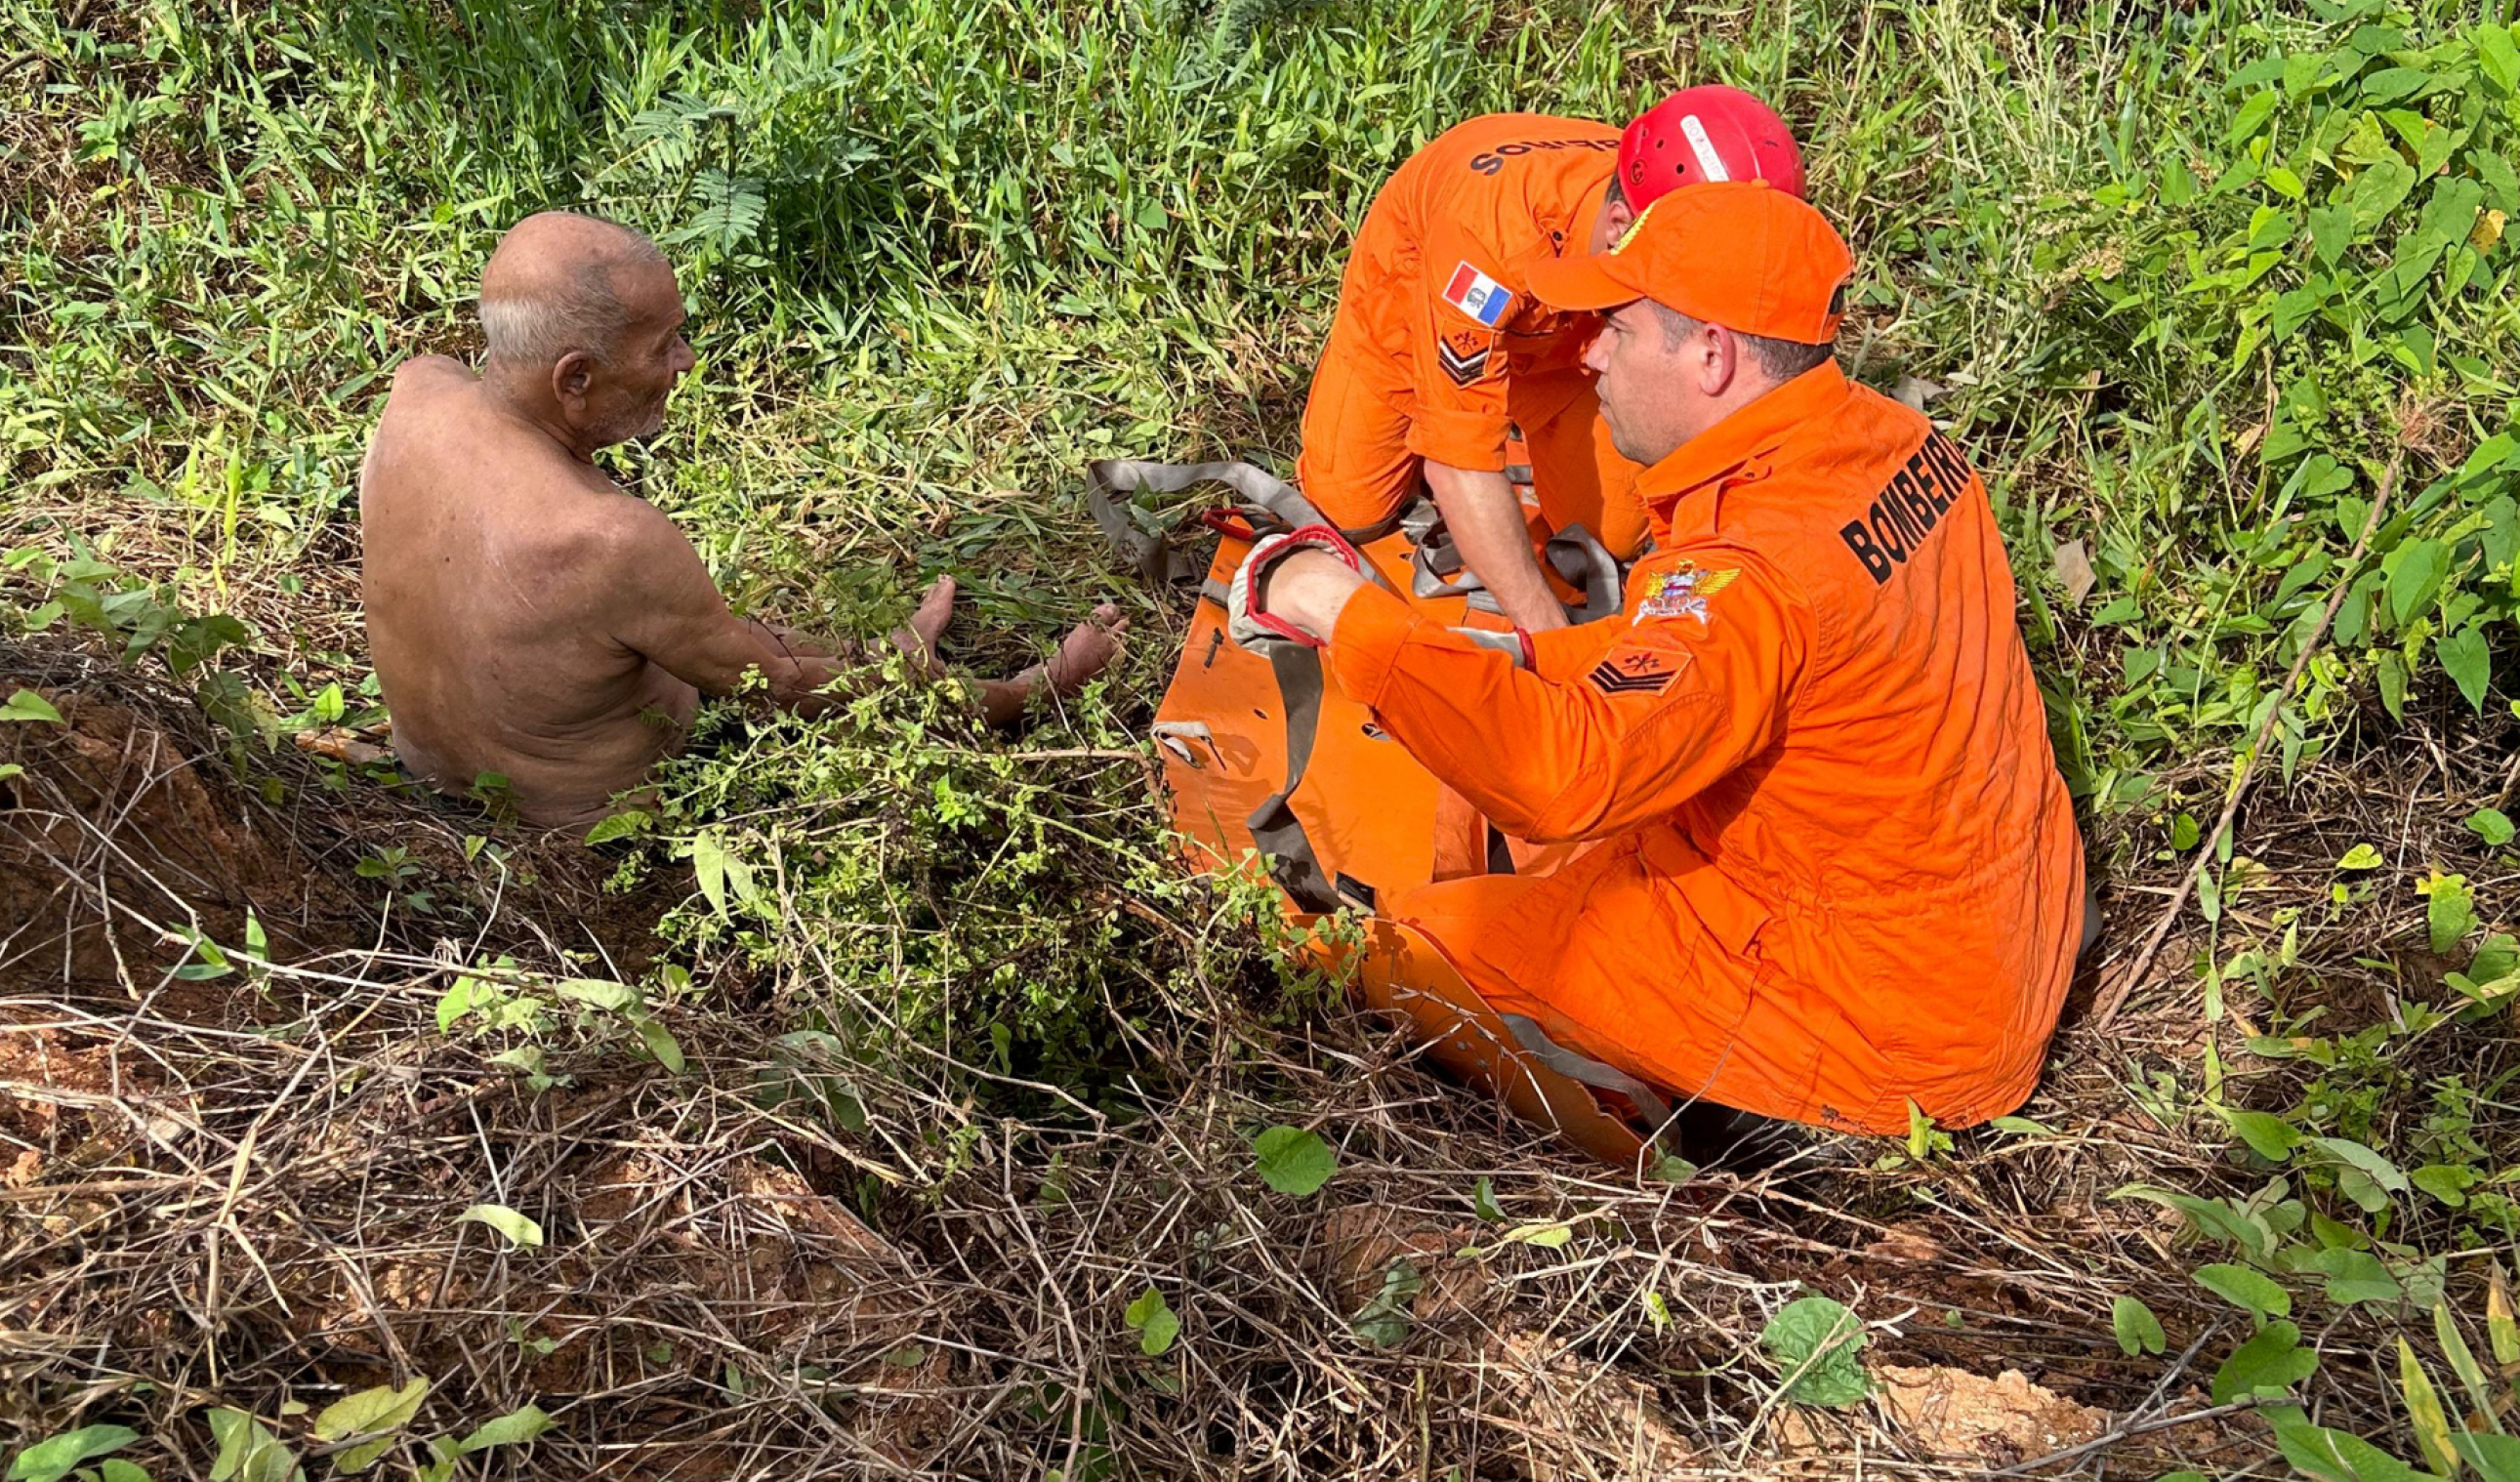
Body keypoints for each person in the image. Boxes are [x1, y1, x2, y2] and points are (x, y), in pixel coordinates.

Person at [1230, 182, 2083, 1134]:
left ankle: (1641, 1110)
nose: (1588, 350)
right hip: (1996, 937)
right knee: (1501, 755)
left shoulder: (1751, 576)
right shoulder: (1900, 445)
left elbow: (1565, 773)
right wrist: (1510, 657)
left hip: (1877, 1016)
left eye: (1620, 329)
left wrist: (1331, 602)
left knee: (1407, 944)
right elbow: (1761, 662)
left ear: (1712, 355)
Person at [359, 212, 1126, 829]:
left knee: (719, 633)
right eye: (664, 345)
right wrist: (1031, 690)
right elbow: (787, 690)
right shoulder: (605, 540)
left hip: (428, 789)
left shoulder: (415, 394)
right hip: (586, 833)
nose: (685, 362)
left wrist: (869, 653)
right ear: (576, 377)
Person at [1294, 87, 1805, 634]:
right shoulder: (1489, 237)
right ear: (1617, 227)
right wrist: (1550, 639)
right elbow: (1457, 462)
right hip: (1413, 311)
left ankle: (1522, 418)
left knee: (1612, 534)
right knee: (1348, 507)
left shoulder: (1684, 209)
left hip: (1569, 345)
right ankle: (1452, 414)